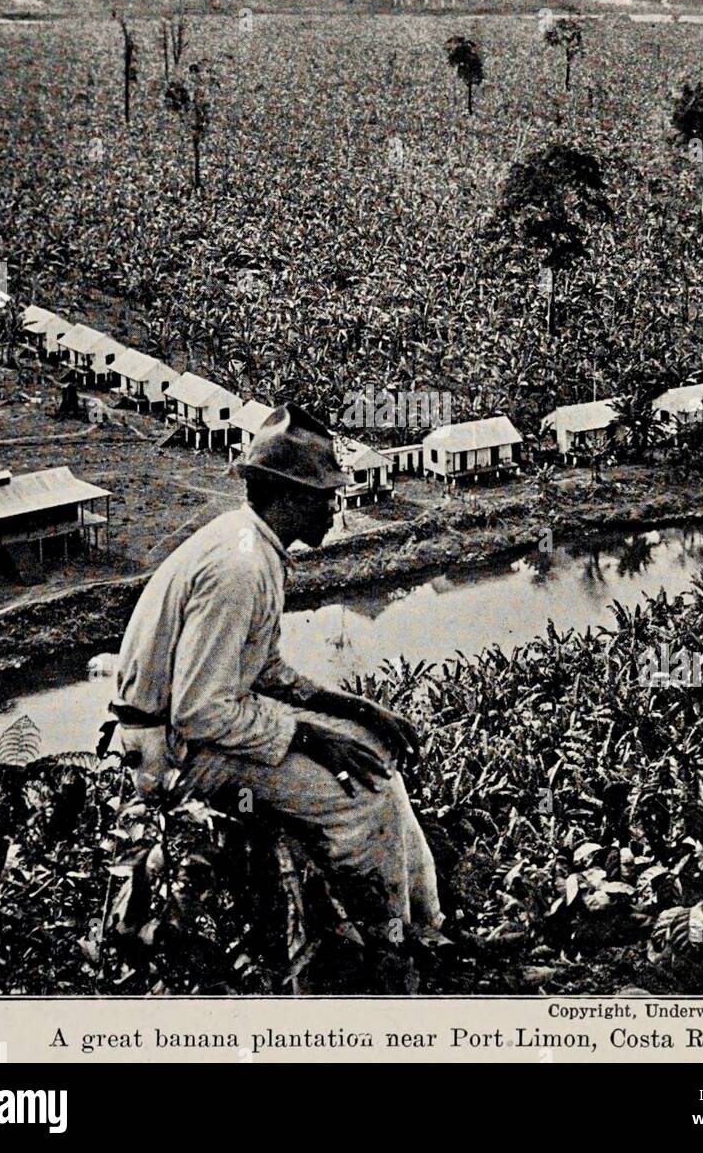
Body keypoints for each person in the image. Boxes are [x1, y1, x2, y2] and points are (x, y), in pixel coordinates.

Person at [112, 403, 443, 982]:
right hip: (174, 753)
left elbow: (260, 668)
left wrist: (355, 708)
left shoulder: (251, 546)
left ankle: (426, 922)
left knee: (375, 755)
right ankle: (388, 947)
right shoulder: (239, 568)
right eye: (325, 494)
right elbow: (200, 710)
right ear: (288, 494)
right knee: (365, 798)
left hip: (197, 728)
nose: (335, 506)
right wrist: (312, 737)